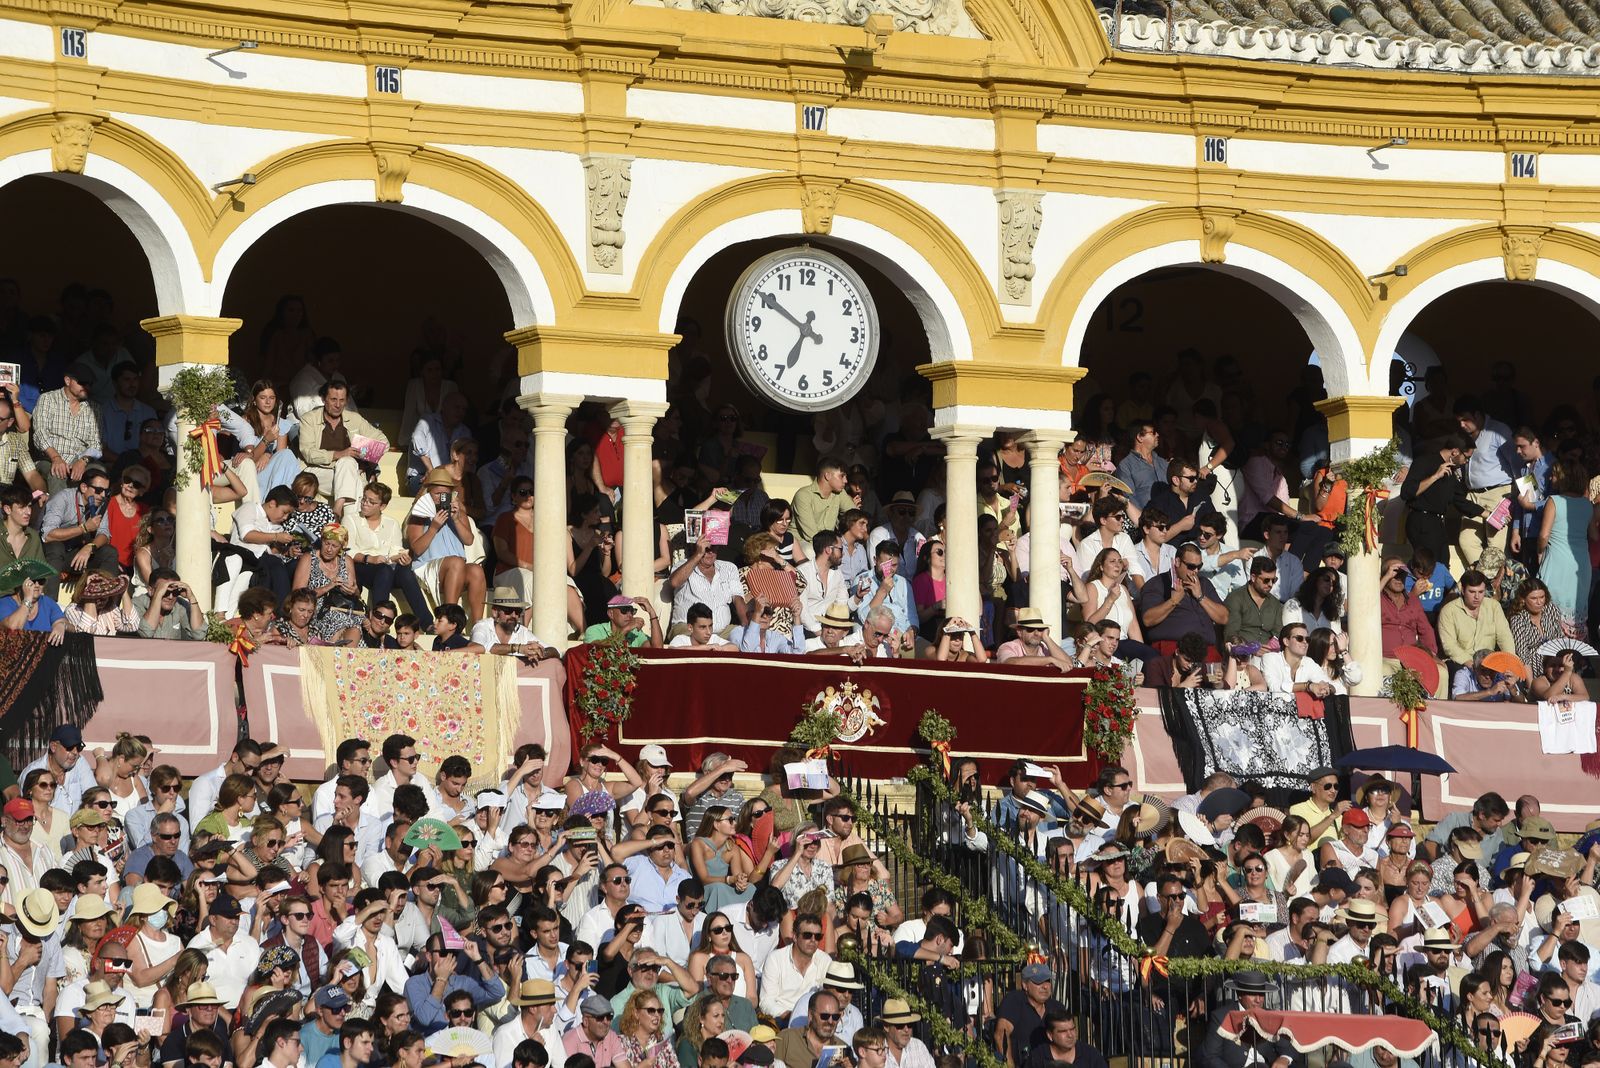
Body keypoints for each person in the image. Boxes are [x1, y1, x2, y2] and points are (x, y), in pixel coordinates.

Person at [1537, 460, 1595, 630]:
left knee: (1550, 609)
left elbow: (1544, 535)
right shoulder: (1587, 505)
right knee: (1575, 611)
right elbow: (1594, 535)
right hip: (1581, 563)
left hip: (1557, 561)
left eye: (1554, 474)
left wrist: (1539, 551)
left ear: (1564, 478)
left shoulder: (1553, 501)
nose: (1550, 478)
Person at [40, 465, 117, 581]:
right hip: (51, 555)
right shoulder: (63, 498)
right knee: (56, 547)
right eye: (99, 490)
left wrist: (90, 547)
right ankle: (49, 598)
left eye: (106, 491)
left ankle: (103, 594)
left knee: (109, 551)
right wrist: (83, 529)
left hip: (75, 553)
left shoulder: (100, 503)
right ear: (84, 487)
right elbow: (48, 535)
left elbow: (105, 534)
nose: (102, 495)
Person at [1438, 571, 1516, 671]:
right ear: (1463, 590)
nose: (1477, 597)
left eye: (1481, 592)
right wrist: (1472, 663)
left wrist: (1510, 660)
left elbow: (1504, 636)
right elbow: (1449, 646)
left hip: (1489, 661)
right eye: (1472, 592)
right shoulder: (1448, 611)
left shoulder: (1493, 606)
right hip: (1461, 662)